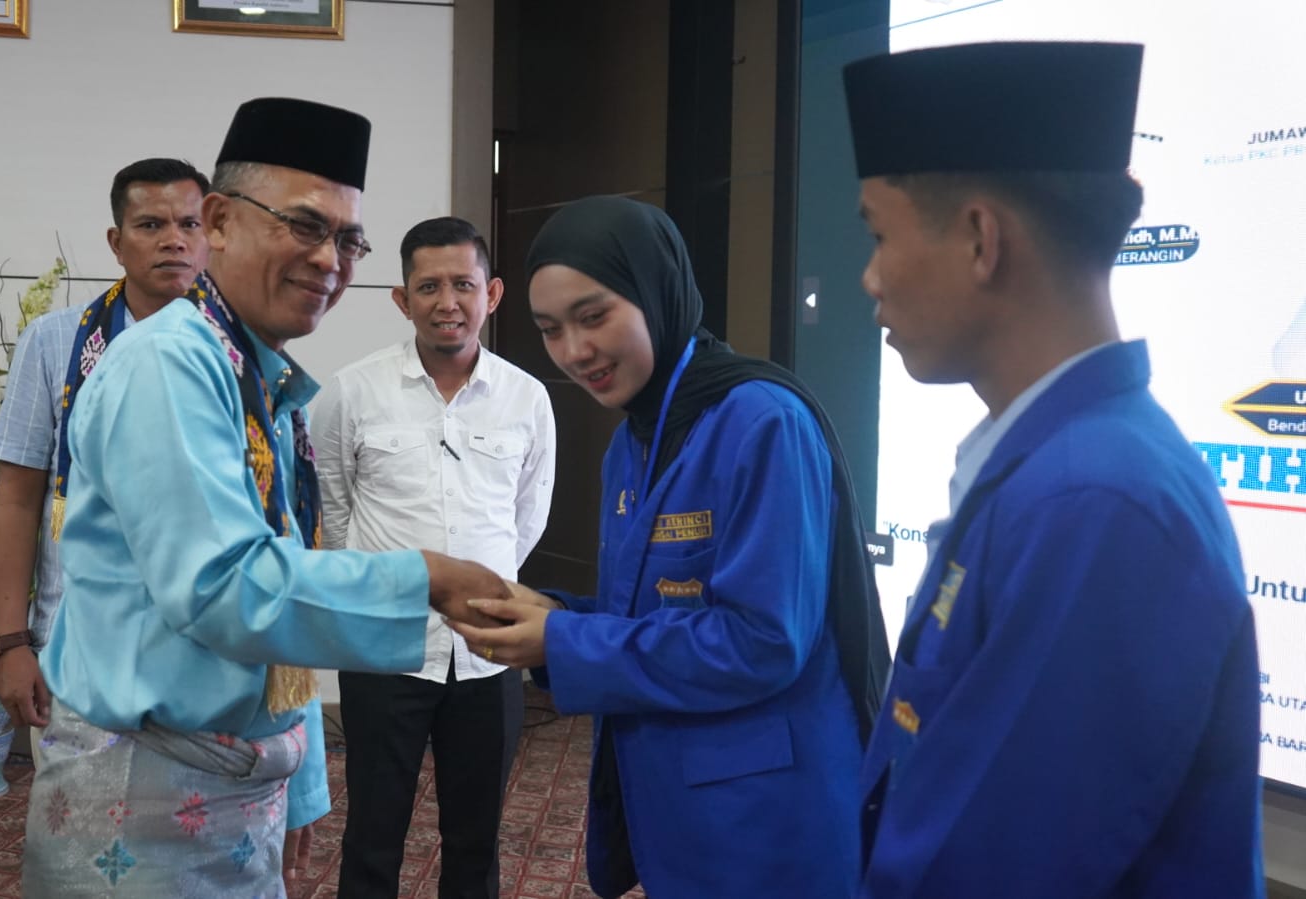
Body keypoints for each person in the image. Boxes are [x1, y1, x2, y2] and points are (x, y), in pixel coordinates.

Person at [19, 98, 510, 897]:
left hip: (236, 782)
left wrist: (300, 777)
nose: (329, 260)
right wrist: (428, 577)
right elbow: (224, 586)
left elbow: (281, 567)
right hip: (141, 792)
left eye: (347, 240)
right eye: (305, 226)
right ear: (218, 220)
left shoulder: (254, 375)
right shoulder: (169, 365)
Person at [841, 41, 1263, 896]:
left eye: (879, 236)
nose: (869, 278)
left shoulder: (1093, 499)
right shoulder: (1062, 464)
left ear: (979, 239)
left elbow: (996, 869)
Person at [452, 195, 892, 899]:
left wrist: (561, 640)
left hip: (768, 822)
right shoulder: (634, 439)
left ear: (656, 292)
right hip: (680, 807)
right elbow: (652, 614)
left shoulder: (760, 421)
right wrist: (551, 612)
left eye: (594, 316)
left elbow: (763, 641)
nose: (574, 351)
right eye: (550, 330)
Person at [312, 216, 556, 899]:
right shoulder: (351, 391)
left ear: (491, 294)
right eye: (428, 287)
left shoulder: (526, 398)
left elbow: (526, 518)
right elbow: (331, 513)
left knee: (476, 839)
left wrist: (482, 586)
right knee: (372, 830)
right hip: (383, 647)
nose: (447, 302)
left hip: (487, 650)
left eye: (462, 285)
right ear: (402, 299)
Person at [0, 157, 210, 750]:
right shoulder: (56, 340)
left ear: (212, 235)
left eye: (189, 224)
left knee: (207, 810)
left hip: (209, 647)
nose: (173, 240)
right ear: (116, 242)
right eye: (151, 225)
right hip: (78, 642)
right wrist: (11, 643)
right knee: (80, 810)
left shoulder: (240, 348)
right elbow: (17, 499)